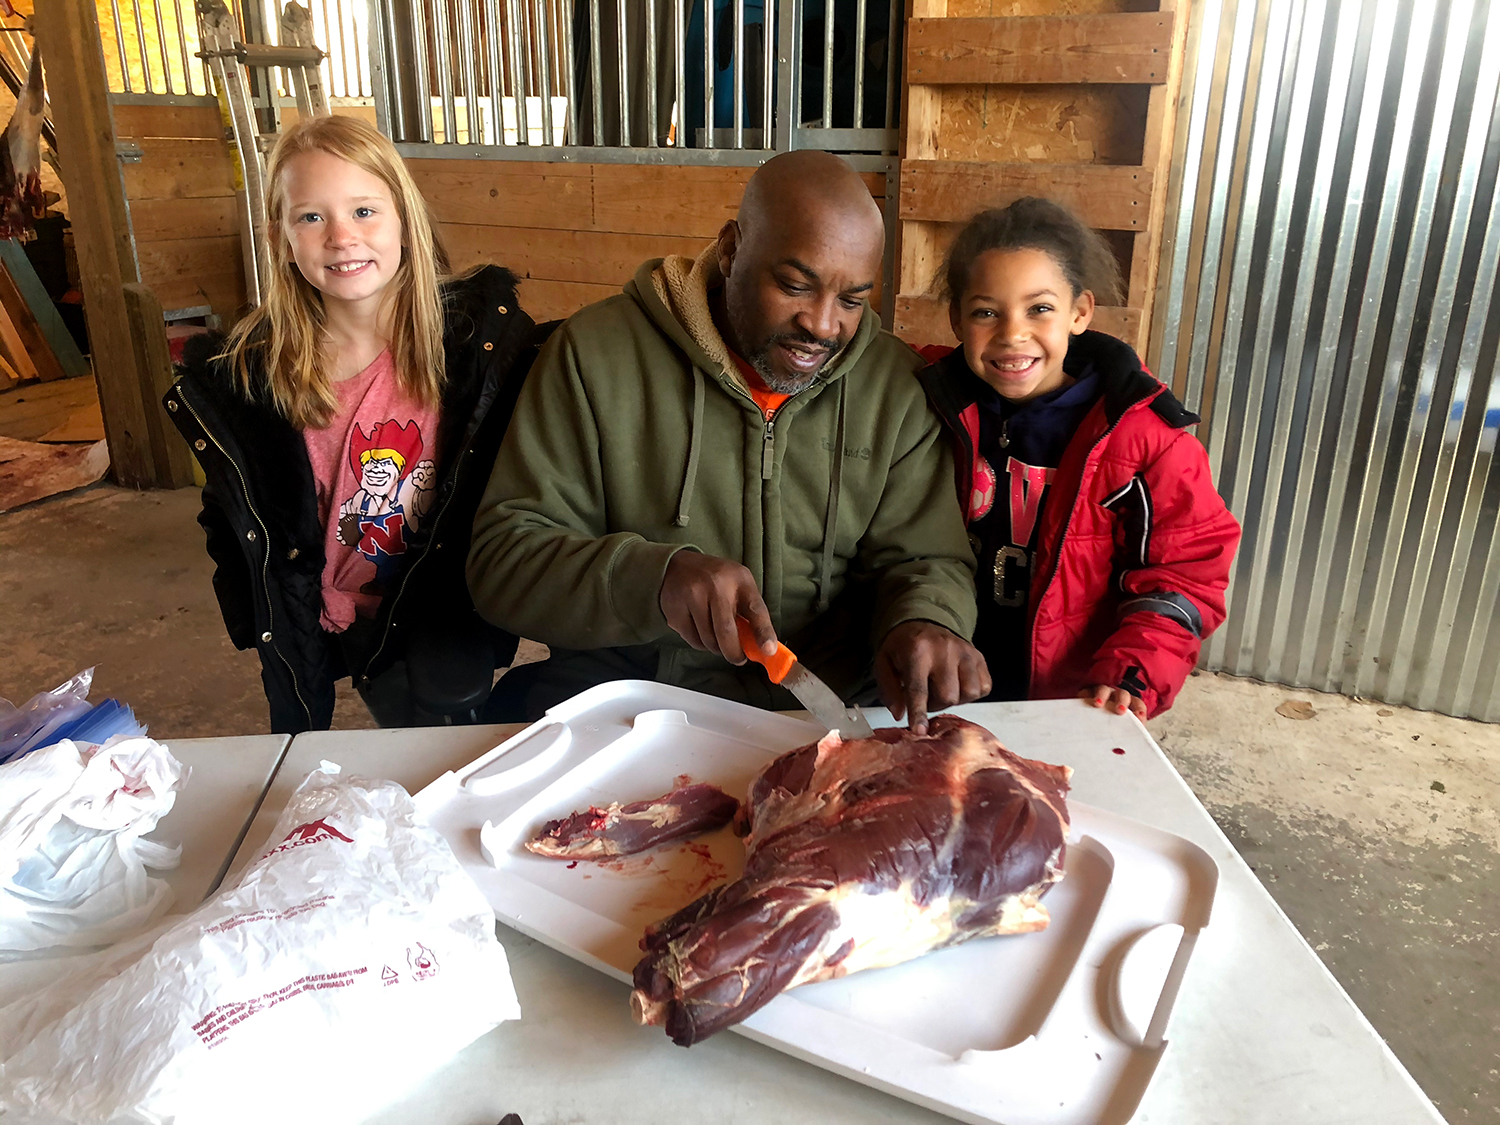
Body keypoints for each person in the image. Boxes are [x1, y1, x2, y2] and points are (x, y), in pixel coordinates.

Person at [468, 150, 988, 731]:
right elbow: (504, 560)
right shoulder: (595, 355)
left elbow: (927, 559)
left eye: (851, 300)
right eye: (795, 285)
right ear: (731, 248)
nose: (821, 325)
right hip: (636, 711)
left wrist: (926, 620)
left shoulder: (895, 388)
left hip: (834, 714)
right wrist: (654, 579)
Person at [166, 115, 545, 734]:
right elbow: (227, 507)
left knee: (440, 747)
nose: (342, 237)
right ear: (279, 237)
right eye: (311, 217)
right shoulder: (246, 378)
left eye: (364, 211)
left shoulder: (482, 343)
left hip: (436, 604)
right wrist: (255, 604)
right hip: (327, 613)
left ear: (405, 217)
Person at [915, 198, 1240, 719]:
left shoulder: (1146, 438)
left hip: (1069, 700)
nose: (1012, 333)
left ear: (1080, 312)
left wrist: (1131, 670)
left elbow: (1186, 572)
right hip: (942, 683)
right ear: (957, 319)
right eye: (985, 311)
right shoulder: (927, 399)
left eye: (1039, 308)